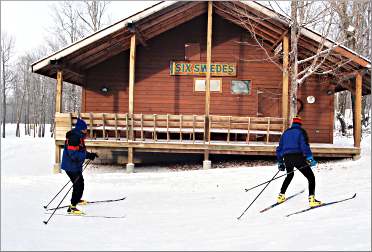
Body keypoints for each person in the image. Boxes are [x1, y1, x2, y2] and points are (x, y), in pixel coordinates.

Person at [276, 115, 322, 207]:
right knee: (311, 177)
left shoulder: (285, 133)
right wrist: (310, 158)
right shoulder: (301, 132)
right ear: (300, 123)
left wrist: (280, 162)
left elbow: (279, 148)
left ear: (292, 123)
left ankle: (281, 196)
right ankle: (312, 200)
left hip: (287, 158)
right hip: (298, 157)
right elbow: (304, 146)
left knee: (289, 175)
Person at [61, 118, 98, 215]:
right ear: (81, 129)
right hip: (70, 166)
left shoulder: (79, 136)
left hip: (75, 166)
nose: (87, 130)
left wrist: (90, 154)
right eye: (85, 129)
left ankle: (77, 199)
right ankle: (72, 207)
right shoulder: (74, 138)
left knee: (80, 182)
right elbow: (73, 154)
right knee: (77, 185)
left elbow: (80, 151)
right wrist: (86, 156)